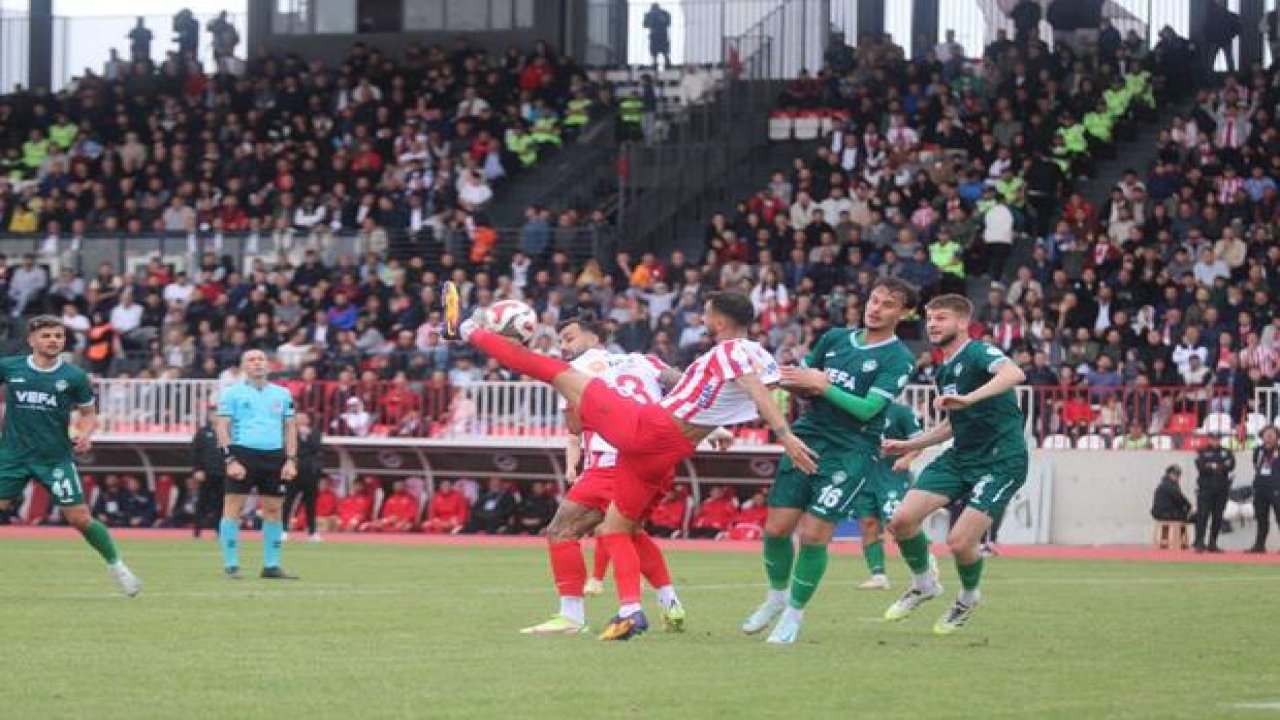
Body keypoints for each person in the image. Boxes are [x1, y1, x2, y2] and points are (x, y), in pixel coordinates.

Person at [451, 286, 815, 641]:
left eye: (706, 314)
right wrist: (817, 389)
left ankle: (466, 329)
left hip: (646, 427)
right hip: (666, 451)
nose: (702, 319)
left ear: (719, 321)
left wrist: (785, 436)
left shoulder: (730, 351)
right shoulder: (758, 354)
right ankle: (630, 612)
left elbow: (754, 390)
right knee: (616, 529)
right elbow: (761, 386)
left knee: (548, 369)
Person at [741, 279, 918, 644]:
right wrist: (781, 378)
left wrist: (824, 386)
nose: (875, 308)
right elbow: (804, 385)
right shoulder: (835, 338)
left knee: (813, 535)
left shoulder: (899, 358)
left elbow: (868, 409)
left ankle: (794, 614)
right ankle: (776, 597)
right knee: (776, 529)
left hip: (852, 450)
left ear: (904, 313)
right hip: (808, 436)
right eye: (873, 300)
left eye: (887, 305)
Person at [520, 314, 693, 636]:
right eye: (561, 340)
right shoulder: (643, 360)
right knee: (630, 531)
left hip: (612, 461)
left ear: (594, 338)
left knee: (561, 531)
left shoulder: (574, 371)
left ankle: (574, 616)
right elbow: (686, 385)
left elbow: (574, 426)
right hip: (657, 461)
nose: (564, 346)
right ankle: (670, 602)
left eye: (569, 338)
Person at [880, 294, 1029, 634]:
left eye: (941, 318)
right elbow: (952, 424)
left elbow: (1015, 373)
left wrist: (969, 398)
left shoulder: (979, 352)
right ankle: (924, 584)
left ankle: (968, 597)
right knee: (901, 521)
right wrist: (909, 445)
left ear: (962, 322)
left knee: (960, 542)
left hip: (1001, 460)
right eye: (930, 319)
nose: (932, 324)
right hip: (961, 456)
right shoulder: (944, 369)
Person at [0, 316, 140, 596]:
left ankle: (117, 566)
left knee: (80, 518)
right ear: (31, 340)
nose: (53, 340)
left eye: (58, 336)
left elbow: (88, 414)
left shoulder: (74, 376)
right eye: (46, 336)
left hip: (55, 459)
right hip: (12, 456)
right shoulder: (9, 367)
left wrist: (85, 434)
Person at [215, 349, 300, 579]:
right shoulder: (232, 393)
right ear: (244, 366)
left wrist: (291, 460)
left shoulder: (282, 393)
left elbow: (290, 428)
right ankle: (231, 564)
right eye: (251, 360)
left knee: (274, 509)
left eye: (261, 359)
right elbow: (222, 427)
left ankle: (271, 565)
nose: (257, 363)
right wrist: (230, 459)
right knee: (234, 507)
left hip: (274, 456)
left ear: (268, 365)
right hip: (243, 453)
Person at [855, 403, 923, 590]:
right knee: (868, 524)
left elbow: (919, 441)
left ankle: (925, 565)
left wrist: (907, 459)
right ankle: (878, 575)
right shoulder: (856, 408)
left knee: (897, 524)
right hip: (864, 475)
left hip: (892, 475)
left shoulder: (901, 411)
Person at [283, 411, 325, 542]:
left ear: (308, 420)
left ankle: (312, 531)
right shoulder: (289, 432)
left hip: (310, 473)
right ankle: (283, 530)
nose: (300, 421)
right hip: (293, 472)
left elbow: (317, 448)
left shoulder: (315, 432)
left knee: (310, 503)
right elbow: (289, 449)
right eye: (298, 418)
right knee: (288, 501)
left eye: (303, 418)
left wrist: (307, 436)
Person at [1192, 433, 1234, 553]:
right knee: (1202, 515)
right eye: (1213, 439)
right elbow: (1201, 467)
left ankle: (1213, 542)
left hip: (1221, 489)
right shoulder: (1202, 451)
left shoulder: (1226, 452)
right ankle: (1199, 542)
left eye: (1217, 439)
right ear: (1209, 440)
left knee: (1218, 517)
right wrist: (1219, 466)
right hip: (1205, 489)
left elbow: (1230, 466)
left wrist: (1212, 465)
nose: (1215, 441)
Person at [190, 406, 225, 538]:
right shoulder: (202, 433)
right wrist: (197, 469)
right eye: (212, 414)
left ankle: (219, 530)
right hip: (206, 474)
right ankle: (197, 530)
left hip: (222, 474)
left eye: (217, 414)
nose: (214, 416)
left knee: (220, 503)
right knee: (202, 502)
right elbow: (195, 452)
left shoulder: (227, 432)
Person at [1248, 427, 1280, 553]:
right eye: (1266, 434)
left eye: (1272, 434)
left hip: (1276, 488)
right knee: (1261, 518)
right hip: (1260, 487)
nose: (1269, 437)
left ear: (1277, 437)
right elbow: (1256, 465)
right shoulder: (1258, 450)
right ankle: (1259, 545)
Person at [643, 3, 672, 70]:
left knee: (664, 50)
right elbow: (645, 24)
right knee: (655, 50)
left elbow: (668, 23)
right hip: (656, 34)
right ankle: (656, 63)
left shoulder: (664, 13)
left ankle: (666, 62)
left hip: (661, 34)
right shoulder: (650, 14)